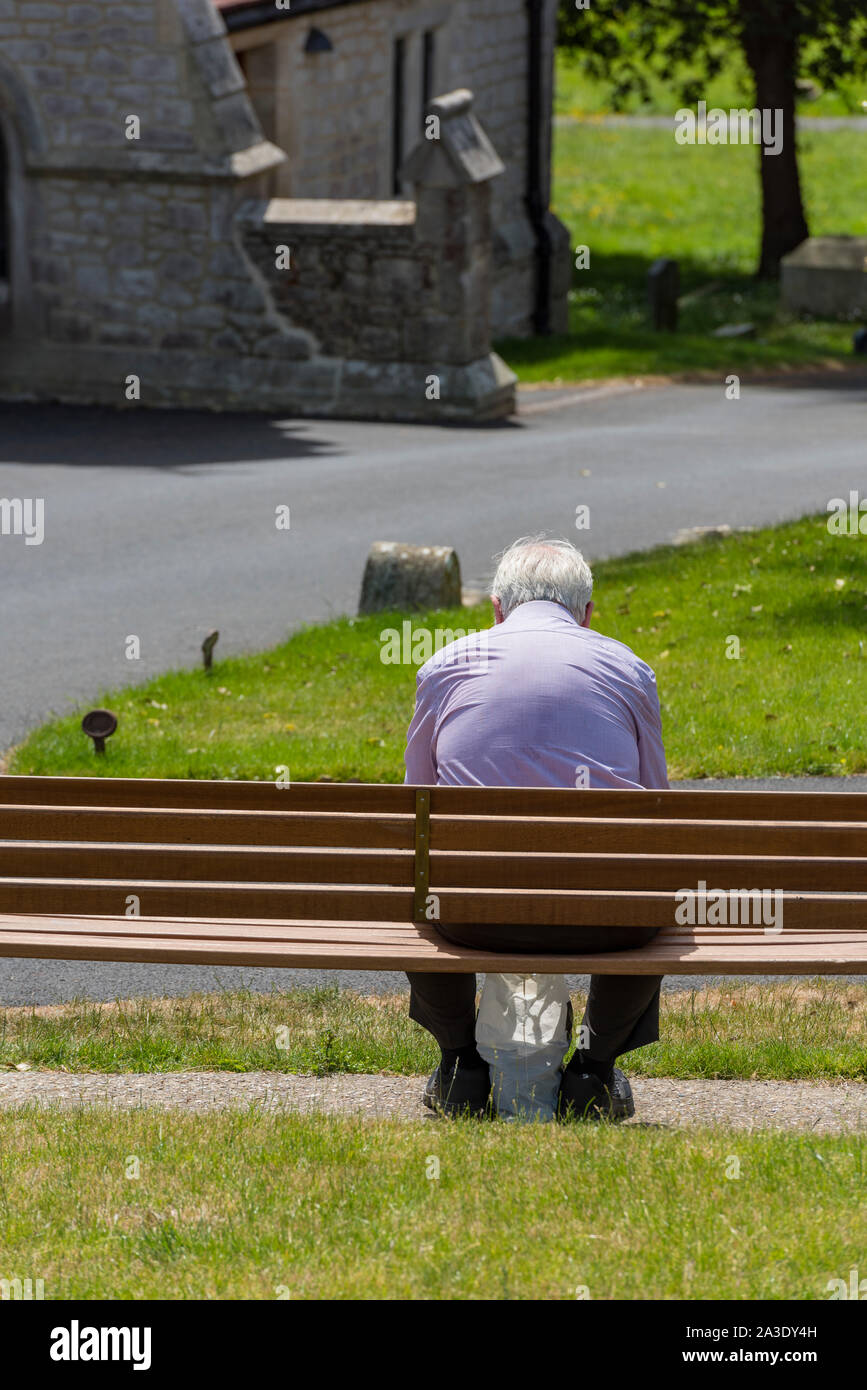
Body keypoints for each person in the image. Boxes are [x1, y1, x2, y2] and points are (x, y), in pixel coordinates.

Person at [403, 534, 668, 1120]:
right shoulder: (629, 669)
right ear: (588, 614)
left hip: (472, 916)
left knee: (417, 877)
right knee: (655, 883)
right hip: (604, 923)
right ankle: (594, 1073)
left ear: (496, 609)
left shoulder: (444, 667)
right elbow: (659, 813)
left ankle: (460, 1066)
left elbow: (414, 810)